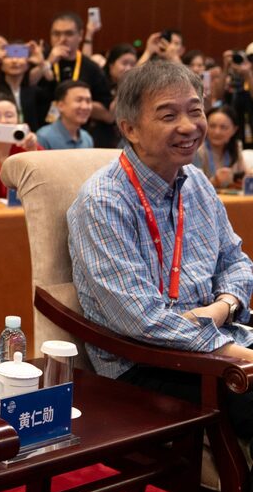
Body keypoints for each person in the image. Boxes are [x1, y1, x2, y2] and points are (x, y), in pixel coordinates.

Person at [67, 60, 253, 438]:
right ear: (130, 129)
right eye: (169, 115)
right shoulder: (104, 201)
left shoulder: (196, 181)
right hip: (149, 362)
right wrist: (234, 351)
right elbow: (141, 319)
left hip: (220, 335)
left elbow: (236, 260)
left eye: (195, 110)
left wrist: (223, 308)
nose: (189, 126)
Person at [38, 11, 114, 146]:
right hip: (40, 132)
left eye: (68, 33)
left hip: (79, 135)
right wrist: (48, 63)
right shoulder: (40, 61)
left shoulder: (91, 67)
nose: (62, 39)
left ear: (80, 35)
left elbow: (107, 112)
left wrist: (76, 103)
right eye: (56, 34)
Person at [193, 106, 247, 188]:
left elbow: (242, 178)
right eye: (212, 126)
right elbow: (193, 187)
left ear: (234, 130)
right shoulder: (196, 150)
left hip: (232, 199)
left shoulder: (236, 147)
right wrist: (214, 181)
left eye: (223, 127)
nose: (217, 132)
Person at [36, 80, 94, 150]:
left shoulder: (87, 139)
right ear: (60, 106)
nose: (85, 107)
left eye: (88, 101)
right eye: (79, 100)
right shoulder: (44, 137)